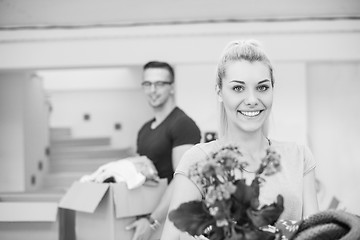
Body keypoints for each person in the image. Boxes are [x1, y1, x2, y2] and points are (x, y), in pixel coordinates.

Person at [160, 40, 319, 239]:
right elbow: (173, 236)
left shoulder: (299, 157)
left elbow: (316, 233)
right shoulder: (199, 160)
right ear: (219, 91)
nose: (252, 100)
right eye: (238, 88)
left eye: (262, 88)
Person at [126, 61, 202, 240]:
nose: (153, 90)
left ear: (172, 87)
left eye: (160, 84)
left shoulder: (182, 124)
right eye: (147, 84)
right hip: (150, 217)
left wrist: (152, 221)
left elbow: (183, 179)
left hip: (172, 221)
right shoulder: (144, 129)